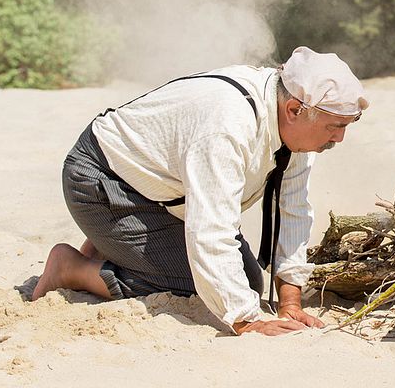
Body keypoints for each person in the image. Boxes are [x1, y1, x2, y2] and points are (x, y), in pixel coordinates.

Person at [32, 46, 368, 337]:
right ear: (294, 109)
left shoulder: (294, 124)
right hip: (102, 179)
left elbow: (291, 209)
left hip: (158, 192)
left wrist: (290, 302)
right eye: (334, 126)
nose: (339, 138)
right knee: (199, 286)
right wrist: (247, 321)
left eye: (347, 125)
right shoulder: (227, 125)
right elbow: (210, 230)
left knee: (247, 281)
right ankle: (72, 268)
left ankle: (109, 246)